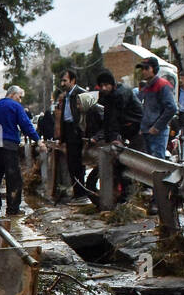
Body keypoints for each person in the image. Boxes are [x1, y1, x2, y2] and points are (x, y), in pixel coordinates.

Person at [0, 85, 40, 216]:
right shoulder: (15, 107)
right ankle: (12, 209)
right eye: (20, 97)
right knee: (14, 178)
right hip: (9, 145)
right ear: (12, 94)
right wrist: (38, 140)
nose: (20, 100)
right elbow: (26, 124)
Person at [55, 69, 87, 200]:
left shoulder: (81, 94)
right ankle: (77, 191)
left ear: (73, 81)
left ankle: (81, 192)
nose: (62, 83)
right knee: (71, 163)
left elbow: (84, 115)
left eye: (65, 81)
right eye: (61, 81)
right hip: (68, 130)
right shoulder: (66, 96)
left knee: (78, 163)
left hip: (77, 130)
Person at [135, 57, 176, 159]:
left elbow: (171, 108)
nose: (143, 71)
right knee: (149, 162)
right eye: (142, 69)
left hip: (157, 133)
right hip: (146, 131)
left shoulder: (163, 85)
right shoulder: (146, 88)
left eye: (146, 68)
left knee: (157, 163)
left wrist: (157, 127)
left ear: (154, 69)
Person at [93, 69, 144, 150]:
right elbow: (107, 118)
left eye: (106, 85)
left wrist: (115, 138)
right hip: (126, 128)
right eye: (101, 85)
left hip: (137, 127)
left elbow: (114, 118)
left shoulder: (121, 94)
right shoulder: (107, 95)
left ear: (112, 84)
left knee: (136, 154)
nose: (104, 88)